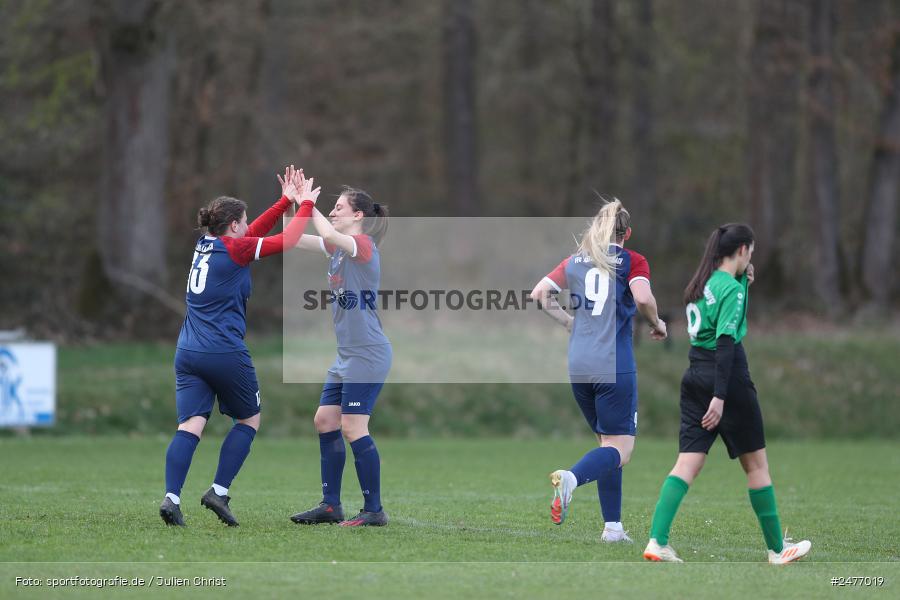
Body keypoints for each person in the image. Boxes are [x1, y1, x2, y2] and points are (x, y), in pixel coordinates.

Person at [159, 166, 320, 527]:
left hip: (187, 351)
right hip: (223, 352)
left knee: (191, 425)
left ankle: (172, 498)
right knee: (249, 418)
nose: (248, 227)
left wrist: (283, 203)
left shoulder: (205, 244)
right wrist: (306, 203)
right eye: (243, 222)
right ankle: (218, 491)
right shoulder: (237, 248)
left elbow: (252, 235)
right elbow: (289, 241)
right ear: (233, 225)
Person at [643, 223, 811, 564]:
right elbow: (725, 342)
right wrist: (720, 397)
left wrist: (743, 284)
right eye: (751, 250)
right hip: (727, 379)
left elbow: (723, 317)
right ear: (742, 250)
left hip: (693, 376)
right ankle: (778, 550)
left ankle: (656, 541)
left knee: (686, 463)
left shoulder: (702, 284)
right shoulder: (730, 290)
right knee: (757, 467)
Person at [530, 199, 666, 542]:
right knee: (621, 450)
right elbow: (643, 299)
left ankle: (613, 528)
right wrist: (658, 323)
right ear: (627, 233)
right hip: (613, 364)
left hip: (579, 364)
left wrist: (568, 323)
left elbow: (540, 293)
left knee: (607, 444)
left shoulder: (574, 261)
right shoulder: (632, 260)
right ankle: (571, 479)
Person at [290, 184, 392, 527]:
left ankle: (374, 510)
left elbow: (329, 231)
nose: (332, 211)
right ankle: (330, 506)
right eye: (331, 207)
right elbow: (293, 237)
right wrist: (292, 203)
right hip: (345, 356)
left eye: (339, 207)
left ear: (358, 216)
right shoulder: (337, 249)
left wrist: (309, 204)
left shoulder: (362, 245)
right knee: (325, 420)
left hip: (367, 354)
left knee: (353, 427)